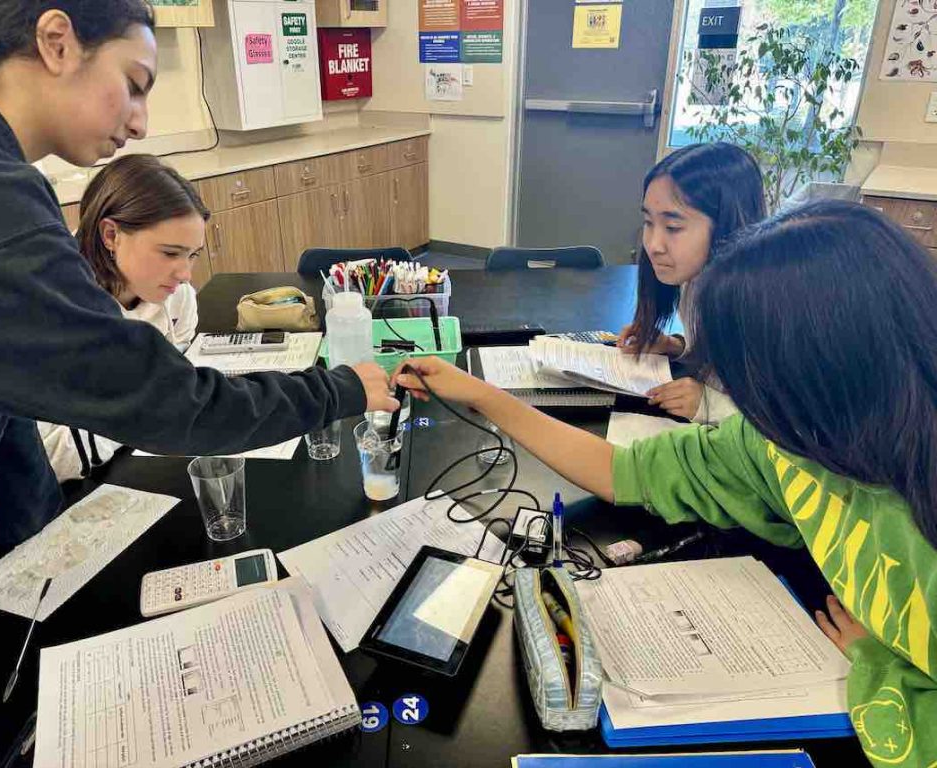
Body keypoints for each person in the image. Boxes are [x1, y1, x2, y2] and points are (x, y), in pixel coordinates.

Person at [396, 201, 937, 767]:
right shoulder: (785, 444)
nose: (744, 404)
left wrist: (882, 671)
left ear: (831, 366)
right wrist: (484, 395)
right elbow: (622, 470)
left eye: (754, 379)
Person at [0, 0, 396, 585]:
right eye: (134, 84)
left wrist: (28, 532)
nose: (141, 123)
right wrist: (337, 390)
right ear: (57, 41)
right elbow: (163, 401)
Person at [39, 154, 207, 481]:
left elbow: (175, 374)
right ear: (111, 236)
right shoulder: (51, 311)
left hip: (135, 463)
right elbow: (44, 458)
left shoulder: (175, 295)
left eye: (193, 255)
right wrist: (139, 409)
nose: (185, 274)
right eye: (170, 253)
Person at [617, 142, 766, 425]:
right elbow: (717, 360)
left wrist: (713, 406)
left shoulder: (765, 307)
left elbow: (802, 423)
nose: (653, 245)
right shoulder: (696, 281)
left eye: (673, 227)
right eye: (648, 222)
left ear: (726, 227)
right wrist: (677, 347)